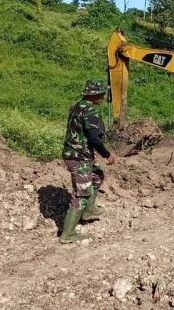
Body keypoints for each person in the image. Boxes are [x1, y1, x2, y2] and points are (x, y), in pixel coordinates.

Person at [59, 79, 116, 244]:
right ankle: (68, 234)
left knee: (97, 175)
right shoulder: (90, 111)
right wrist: (107, 155)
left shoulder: (77, 106)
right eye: (102, 93)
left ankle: (89, 211)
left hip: (74, 153)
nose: (104, 96)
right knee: (80, 194)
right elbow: (94, 139)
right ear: (95, 95)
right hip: (79, 157)